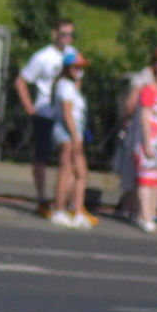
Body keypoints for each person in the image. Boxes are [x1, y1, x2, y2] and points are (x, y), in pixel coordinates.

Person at [15, 19, 77, 215]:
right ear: (55, 34)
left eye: (70, 34)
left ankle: (64, 200)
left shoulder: (73, 55)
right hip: (45, 112)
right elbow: (21, 81)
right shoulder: (43, 56)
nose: (67, 38)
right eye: (63, 33)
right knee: (42, 157)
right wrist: (29, 107)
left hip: (65, 113)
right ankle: (42, 198)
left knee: (68, 157)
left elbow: (78, 80)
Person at [115, 46, 157, 222]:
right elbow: (133, 108)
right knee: (140, 173)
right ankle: (134, 210)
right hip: (143, 134)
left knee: (150, 176)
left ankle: (137, 210)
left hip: (156, 138)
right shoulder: (146, 82)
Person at [49, 52, 92, 229]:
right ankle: (59, 209)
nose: (78, 70)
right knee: (67, 169)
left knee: (79, 171)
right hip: (67, 133)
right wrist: (75, 137)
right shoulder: (65, 86)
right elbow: (67, 114)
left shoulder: (71, 86)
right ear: (67, 68)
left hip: (74, 133)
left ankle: (76, 210)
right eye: (75, 67)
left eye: (80, 67)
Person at [134, 59, 157, 233]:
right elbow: (144, 117)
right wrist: (147, 142)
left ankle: (151, 213)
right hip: (150, 141)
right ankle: (144, 215)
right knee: (146, 179)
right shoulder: (149, 90)